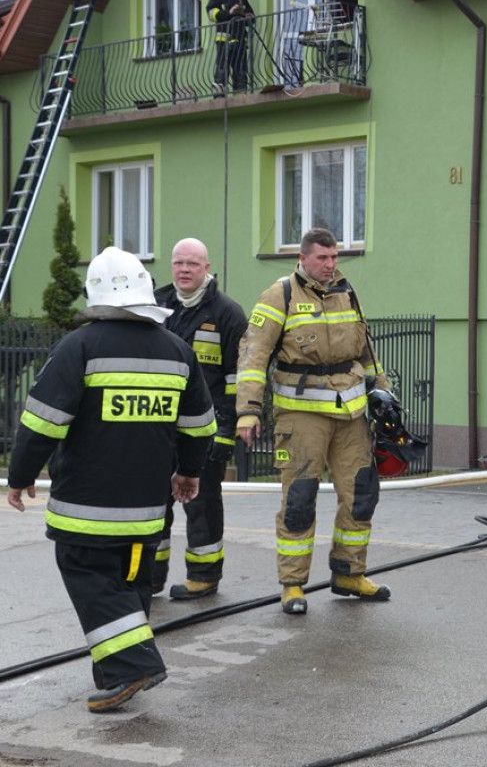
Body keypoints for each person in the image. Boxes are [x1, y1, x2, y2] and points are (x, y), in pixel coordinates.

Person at [6, 247, 215, 713]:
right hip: (148, 510)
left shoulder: (79, 347)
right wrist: (189, 471)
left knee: (91, 578)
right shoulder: (177, 350)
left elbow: (41, 423)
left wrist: (19, 476)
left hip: (86, 509)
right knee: (130, 584)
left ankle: (132, 666)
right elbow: (200, 427)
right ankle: (115, 673)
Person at [235, 227, 391, 615]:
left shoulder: (346, 292)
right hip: (301, 416)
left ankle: (349, 573)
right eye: (323, 257)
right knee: (300, 499)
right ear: (303, 258)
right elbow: (254, 354)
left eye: (334, 257)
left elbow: (366, 351)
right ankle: (292, 585)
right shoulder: (280, 294)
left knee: (361, 494)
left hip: (351, 414)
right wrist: (248, 410)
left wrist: (383, 392)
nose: (330, 264)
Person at [151, 238, 248, 600]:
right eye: (178, 263)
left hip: (204, 429)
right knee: (153, 503)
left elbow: (239, 379)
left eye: (192, 263)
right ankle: (149, 576)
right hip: (158, 426)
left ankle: (204, 576)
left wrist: (225, 431)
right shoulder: (156, 305)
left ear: (206, 267)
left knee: (201, 504)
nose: (184, 270)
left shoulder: (227, 313)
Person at [207, 0, 254, 94]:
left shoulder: (241, 0)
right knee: (222, 69)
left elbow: (252, 18)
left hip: (240, 40)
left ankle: (240, 96)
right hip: (224, 40)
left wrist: (244, 15)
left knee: (240, 70)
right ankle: (219, 95)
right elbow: (211, 13)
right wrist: (229, 13)